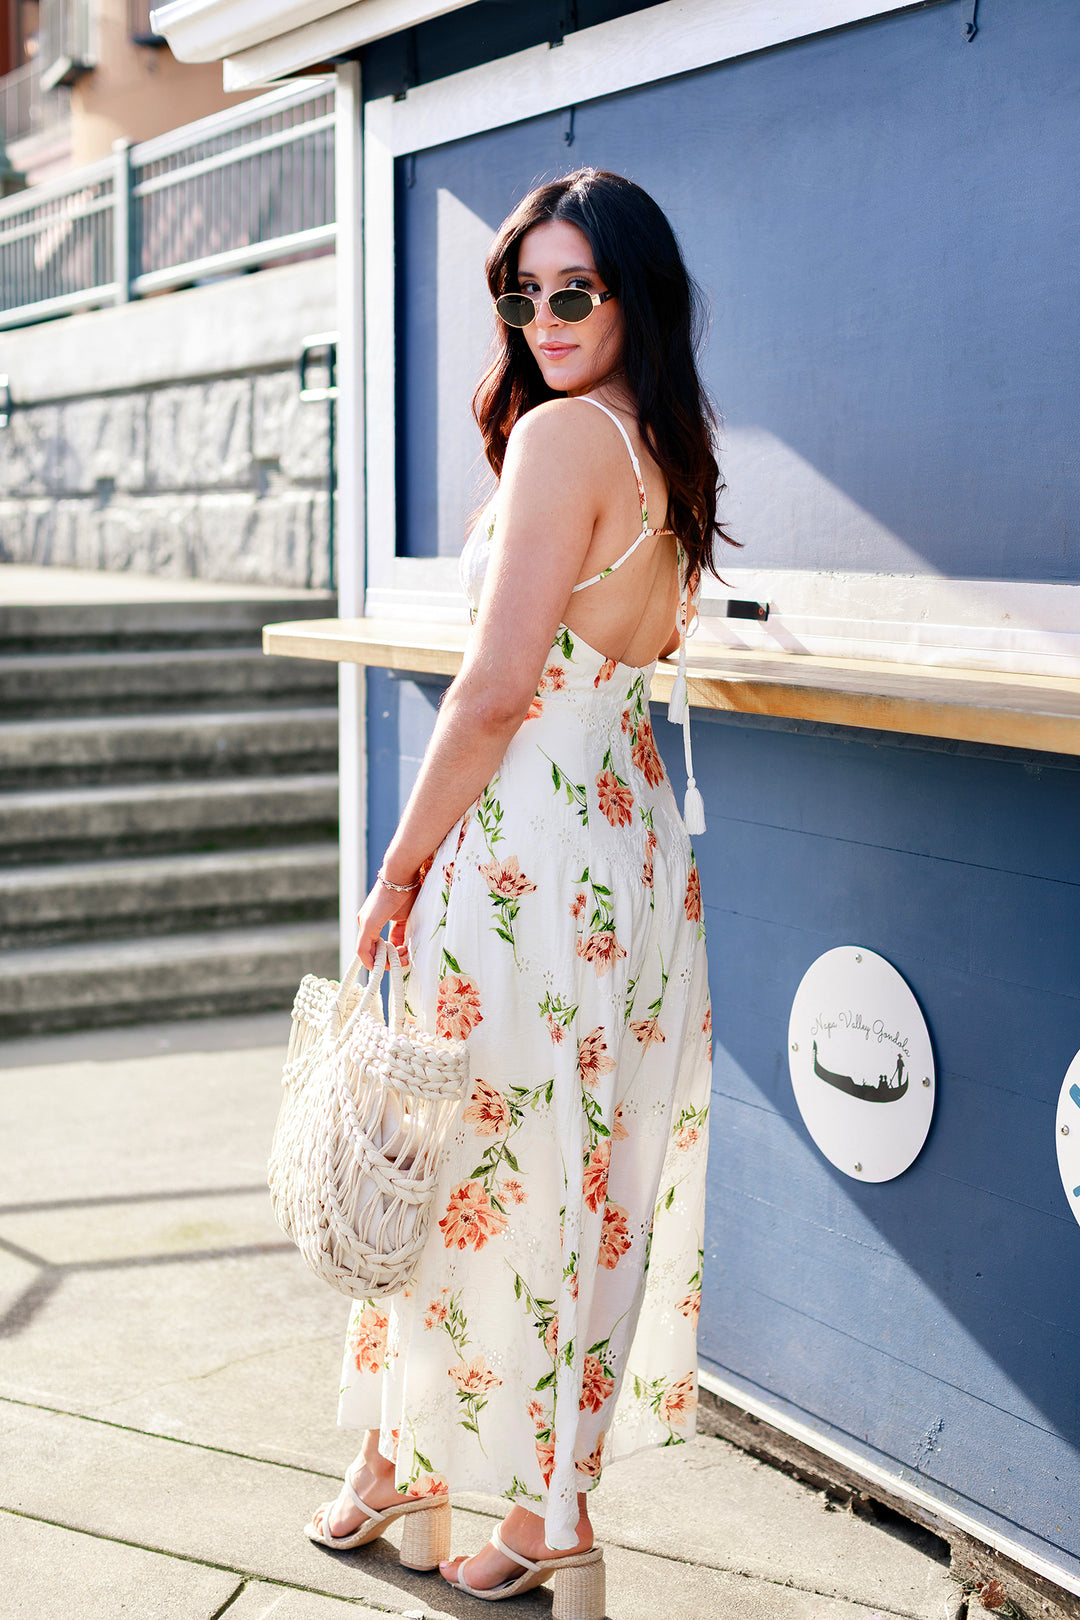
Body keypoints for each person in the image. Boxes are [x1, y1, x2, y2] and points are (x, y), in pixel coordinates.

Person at [305, 168, 730, 1614]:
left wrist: (399, 861)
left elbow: (491, 698)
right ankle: (526, 1500)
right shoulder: (666, 449)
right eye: (520, 291)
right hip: (627, 860)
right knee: (575, 1184)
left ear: (633, 297)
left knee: (452, 1167)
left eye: (574, 290)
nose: (542, 317)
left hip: (520, 862)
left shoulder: (561, 441)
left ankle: (419, 1473)